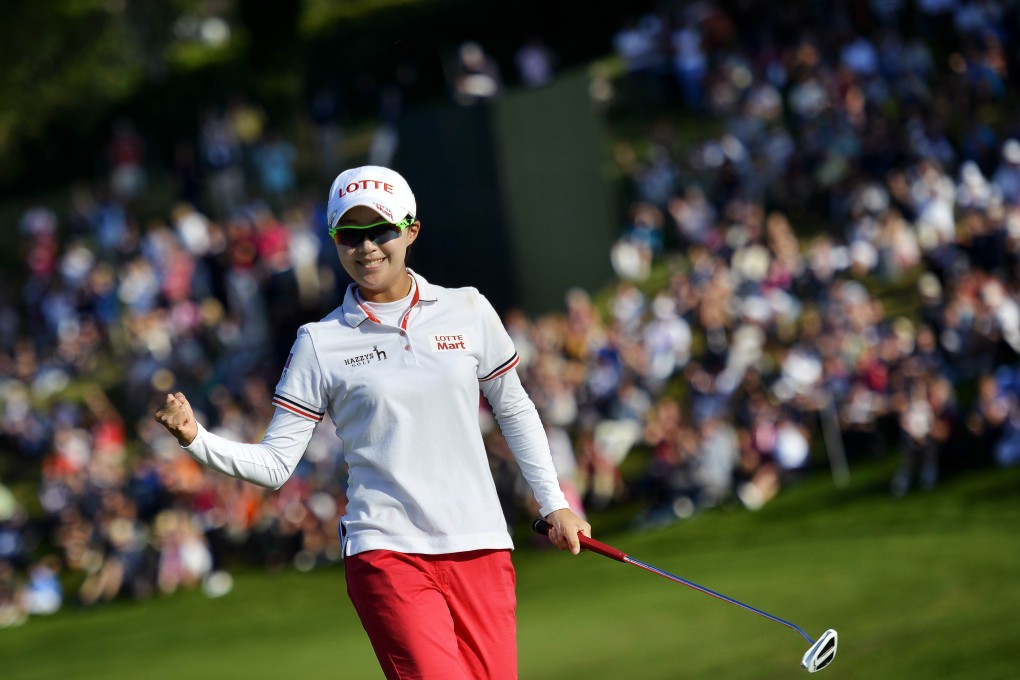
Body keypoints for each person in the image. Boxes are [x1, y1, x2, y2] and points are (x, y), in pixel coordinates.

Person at [154, 165, 590, 679]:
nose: (366, 248)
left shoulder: (467, 309)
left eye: (380, 230)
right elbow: (275, 465)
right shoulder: (319, 342)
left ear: (411, 231)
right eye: (349, 235)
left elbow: (513, 408)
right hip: (386, 550)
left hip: (481, 543)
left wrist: (554, 502)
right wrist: (195, 438)